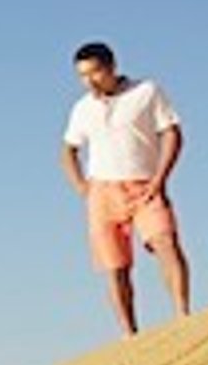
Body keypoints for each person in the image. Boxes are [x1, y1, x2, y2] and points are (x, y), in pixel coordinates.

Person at [59, 43, 190, 334]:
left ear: (112, 67)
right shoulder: (82, 108)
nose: (90, 81)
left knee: (165, 242)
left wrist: (160, 178)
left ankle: (183, 314)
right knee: (114, 267)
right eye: (82, 76)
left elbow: (171, 133)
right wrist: (82, 187)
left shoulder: (146, 91)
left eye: (95, 72)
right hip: (102, 191)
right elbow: (68, 150)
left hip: (144, 184)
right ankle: (129, 335)